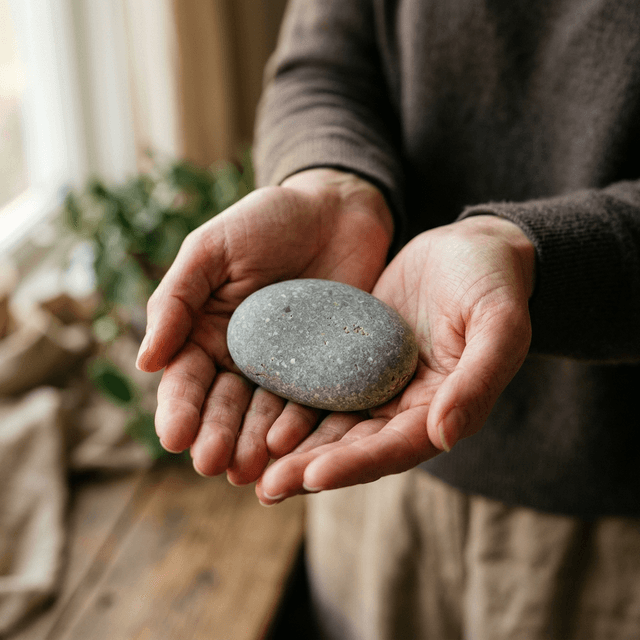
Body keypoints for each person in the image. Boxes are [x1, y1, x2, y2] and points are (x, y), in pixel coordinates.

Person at [136, 1, 640, 638]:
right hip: (372, 480)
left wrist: (535, 253)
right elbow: (322, 64)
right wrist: (329, 176)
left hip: (607, 522)